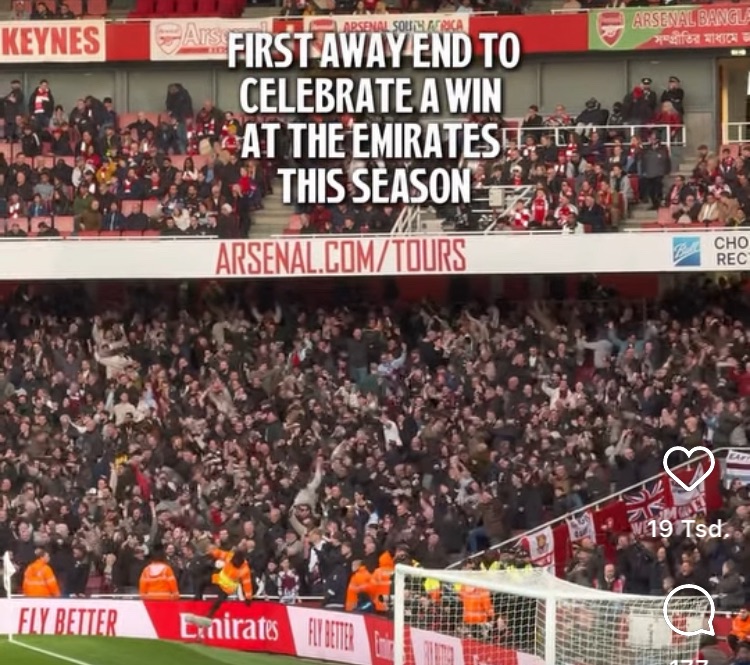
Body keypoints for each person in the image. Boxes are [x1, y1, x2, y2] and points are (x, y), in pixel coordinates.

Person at [188, 545, 253, 628]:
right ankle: (198, 599)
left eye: (236, 562)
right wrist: (211, 554)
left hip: (228, 587)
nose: (234, 562)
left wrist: (248, 598)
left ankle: (209, 616)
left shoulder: (245, 570)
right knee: (201, 582)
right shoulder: (230, 556)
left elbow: (247, 583)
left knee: (219, 601)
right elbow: (219, 553)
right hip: (219, 579)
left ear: (241, 561)